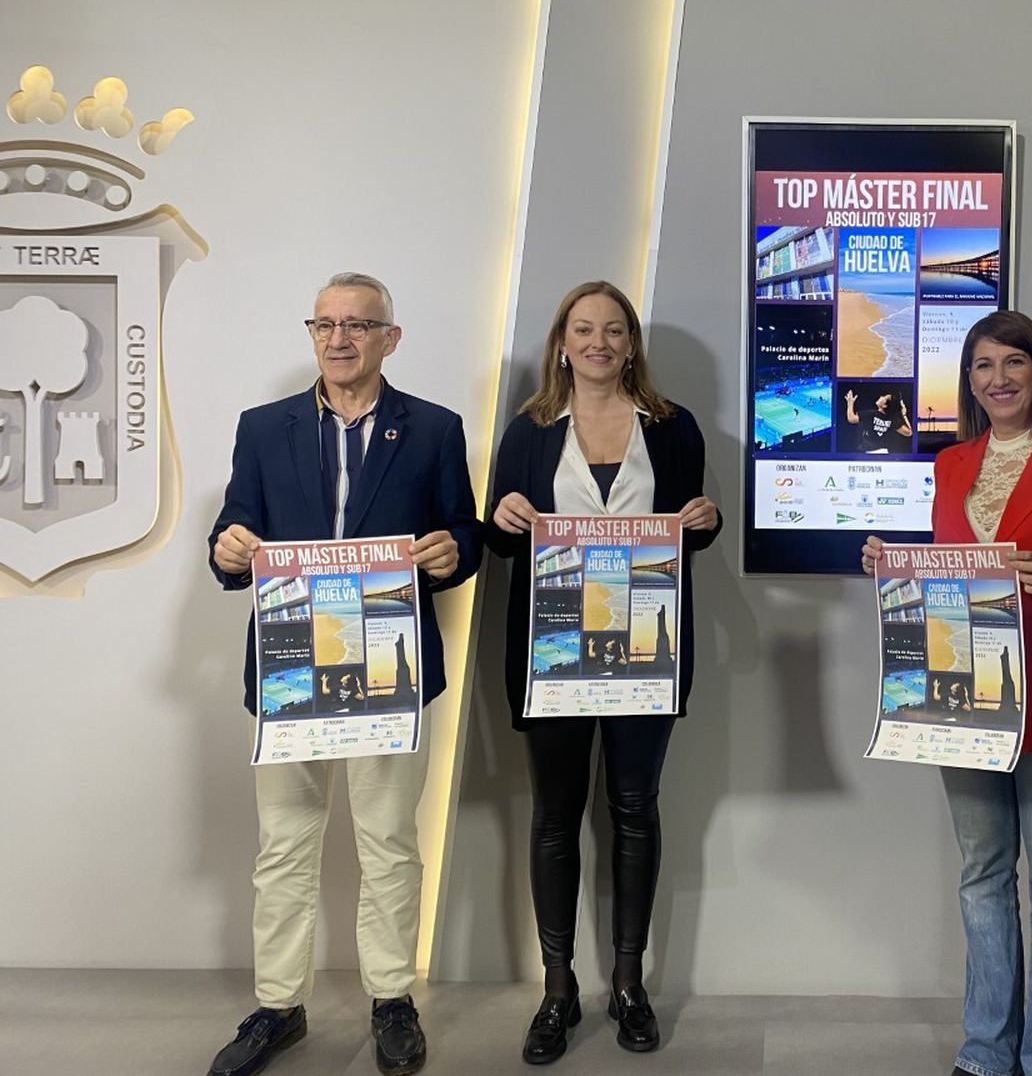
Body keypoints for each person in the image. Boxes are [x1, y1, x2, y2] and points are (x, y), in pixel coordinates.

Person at [206, 272, 481, 1076]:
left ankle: (392, 999)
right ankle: (277, 1006)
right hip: (294, 670)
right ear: (311, 334)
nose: (339, 339)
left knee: (389, 843)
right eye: (325, 324)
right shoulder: (264, 427)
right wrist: (226, 547)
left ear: (389, 339)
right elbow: (236, 528)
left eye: (358, 325)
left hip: (389, 674)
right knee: (284, 846)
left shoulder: (432, 429)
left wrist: (452, 551)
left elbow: (460, 531)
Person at [862, 310, 1032, 1076]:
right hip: (962, 698)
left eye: (1013, 363)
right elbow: (951, 573)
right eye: (982, 367)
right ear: (967, 381)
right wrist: (894, 567)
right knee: (981, 875)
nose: (997, 379)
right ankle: (985, 1051)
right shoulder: (950, 463)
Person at [484, 280, 721, 1064]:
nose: (598, 342)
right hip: (553, 655)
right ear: (561, 341)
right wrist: (505, 520)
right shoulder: (528, 428)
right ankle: (558, 990)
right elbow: (504, 537)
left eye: (613, 330)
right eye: (583, 329)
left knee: (634, 808)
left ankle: (628, 983)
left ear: (630, 345)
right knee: (554, 812)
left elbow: (689, 526)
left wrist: (705, 520)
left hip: (645, 656)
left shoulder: (674, 427)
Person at [845, 387, 912, 452]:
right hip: (883, 452)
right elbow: (909, 433)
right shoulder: (893, 420)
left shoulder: (871, 414)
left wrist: (850, 403)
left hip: (869, 451)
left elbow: (851, 419)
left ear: (884, 405)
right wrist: (904, 414)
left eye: (884, 397)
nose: (881, 396)